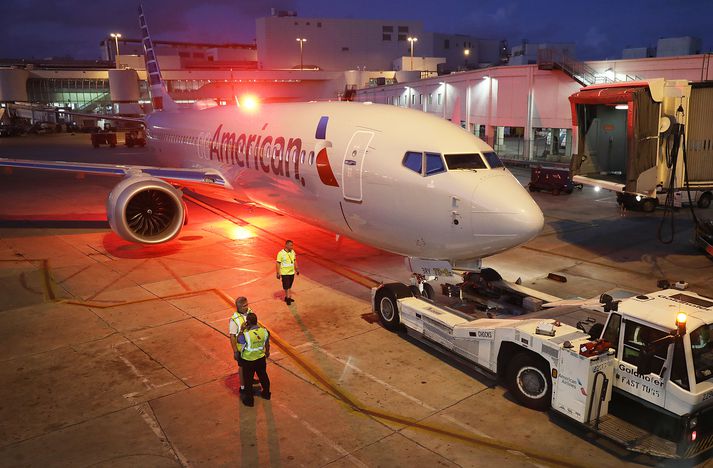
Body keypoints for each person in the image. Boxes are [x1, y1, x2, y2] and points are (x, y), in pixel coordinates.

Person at [238, 312, 271, 406]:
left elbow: (239, 340)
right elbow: (267, 344)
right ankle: (266, 394)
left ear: (247, 322)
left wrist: (241, 329)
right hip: (261, 359)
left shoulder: (246, 335)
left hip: (248, 360)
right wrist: (267, 352)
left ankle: (249, 400)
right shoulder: (264, 331)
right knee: (263, 376)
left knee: (248, 380)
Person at [229, 297, 253, 395]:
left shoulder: (250, 311)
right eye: (244, 306)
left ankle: (250, 379)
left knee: (251, 365)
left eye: (247, 304)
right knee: (242, 367)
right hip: (242, 347)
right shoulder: (234, 319)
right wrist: (235, 351)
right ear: (239, 307)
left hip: (251, 345)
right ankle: (243, 387)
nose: (247, 307)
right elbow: (232, 336)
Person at [276, 239, 299, 304]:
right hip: (285, 273)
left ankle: (287, 297)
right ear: (286, 245)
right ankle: (288, 298)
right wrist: (278, 272)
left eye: (292, 245)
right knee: (286, 286)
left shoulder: (293, 252)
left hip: (291, 272)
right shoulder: (281, 253)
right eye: (290, 245)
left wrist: (296, 268)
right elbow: (278, 263)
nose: (292, 247)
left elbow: (294, 260)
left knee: (289, 285)